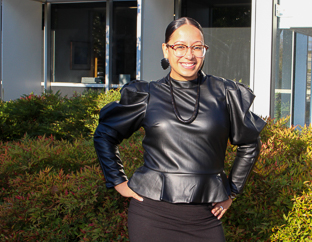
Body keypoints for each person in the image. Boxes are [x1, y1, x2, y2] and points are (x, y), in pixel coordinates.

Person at [93, 17, 266, 242]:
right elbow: (105, 134)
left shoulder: (225, 93)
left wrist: (232, 190)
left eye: (197, 47)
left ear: (205, 50)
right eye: (180, 47)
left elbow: (250, 143)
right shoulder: (147, 94)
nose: (189, 55)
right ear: (166, 50)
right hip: (151, 215)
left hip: (205, 217)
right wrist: (118, 181)